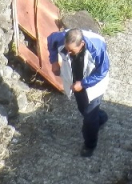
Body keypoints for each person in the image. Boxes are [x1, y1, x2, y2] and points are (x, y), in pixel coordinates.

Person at [46, 27, 111, 157]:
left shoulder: (97, 49)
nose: (68, 53)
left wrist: (83, 83)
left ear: (82, 44)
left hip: (93, 82)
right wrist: (54, 61)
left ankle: (89, 144)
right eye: (66, 49)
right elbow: (50, 40)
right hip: (75, 79)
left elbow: (102, 71)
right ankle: (101, 118)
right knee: (82, 108)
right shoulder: (60, 38)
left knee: (89, 116)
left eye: (71, 51)